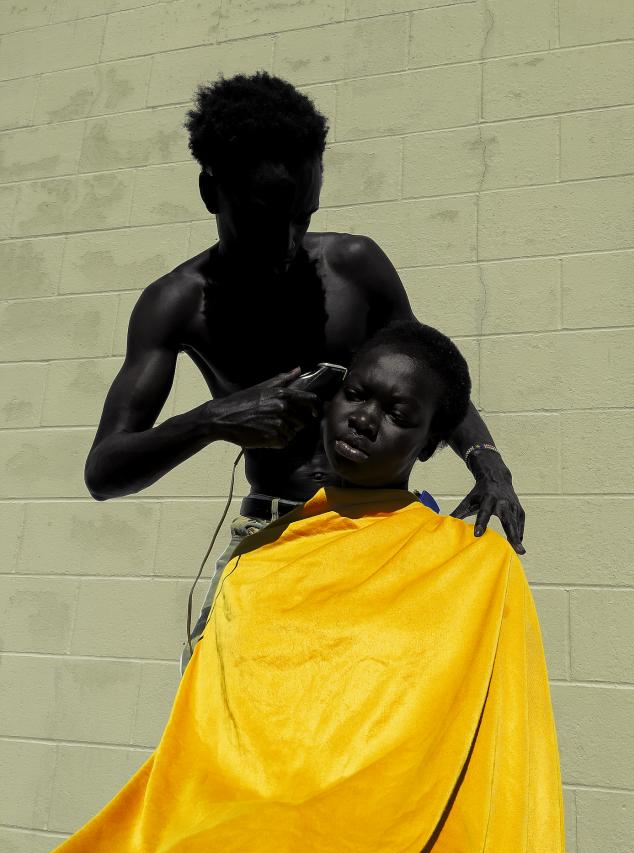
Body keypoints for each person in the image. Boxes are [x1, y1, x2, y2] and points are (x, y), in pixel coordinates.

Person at [0, 322, 564, 853]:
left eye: (398, 414)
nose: (364, 419)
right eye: (356, 395)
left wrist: (491, 462)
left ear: (432, 442)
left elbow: (490, 746)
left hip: (374, 841)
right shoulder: (260, 562)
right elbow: (215, 752)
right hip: (236, 830)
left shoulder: (471, 566)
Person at [83, 71, 526, 596]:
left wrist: (488, 461)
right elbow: (104, 472)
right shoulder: (175, 304)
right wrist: (211, 421)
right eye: (266, 222)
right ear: (210, 192)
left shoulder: (354, 267)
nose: (289, 242)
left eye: (304, 216)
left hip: (383, 530)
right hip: (274, 535)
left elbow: (430, 378)